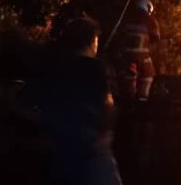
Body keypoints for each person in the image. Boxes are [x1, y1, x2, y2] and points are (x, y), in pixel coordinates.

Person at [17, 17, 121, 185]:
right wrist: (105, 133)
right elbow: (107, 105)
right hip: (89, 149)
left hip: (56, 149)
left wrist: (46, 123)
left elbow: (22, 102)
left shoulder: (51, 67)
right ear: (90, 41)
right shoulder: (95, 68)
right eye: (96, 41)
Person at [121, 0, 160, 101]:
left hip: (127, 57)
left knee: (129, 77)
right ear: (147, 7)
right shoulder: (150, 20)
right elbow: (156, 38)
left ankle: (129, 100)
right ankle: (143, 98)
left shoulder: (126, 18)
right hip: (142, 56)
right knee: (149, 74)